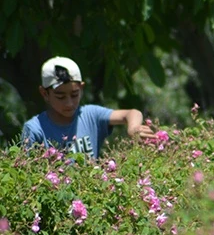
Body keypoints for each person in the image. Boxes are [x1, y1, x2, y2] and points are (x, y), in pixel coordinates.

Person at [21, 56, 157, 159]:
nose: (69, 103)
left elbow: (132, 113)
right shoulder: (35, 129)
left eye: (74, 95)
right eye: (60, 97)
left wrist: (133, 128)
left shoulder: (90, 115)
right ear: (45, 93)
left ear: (81, 88)